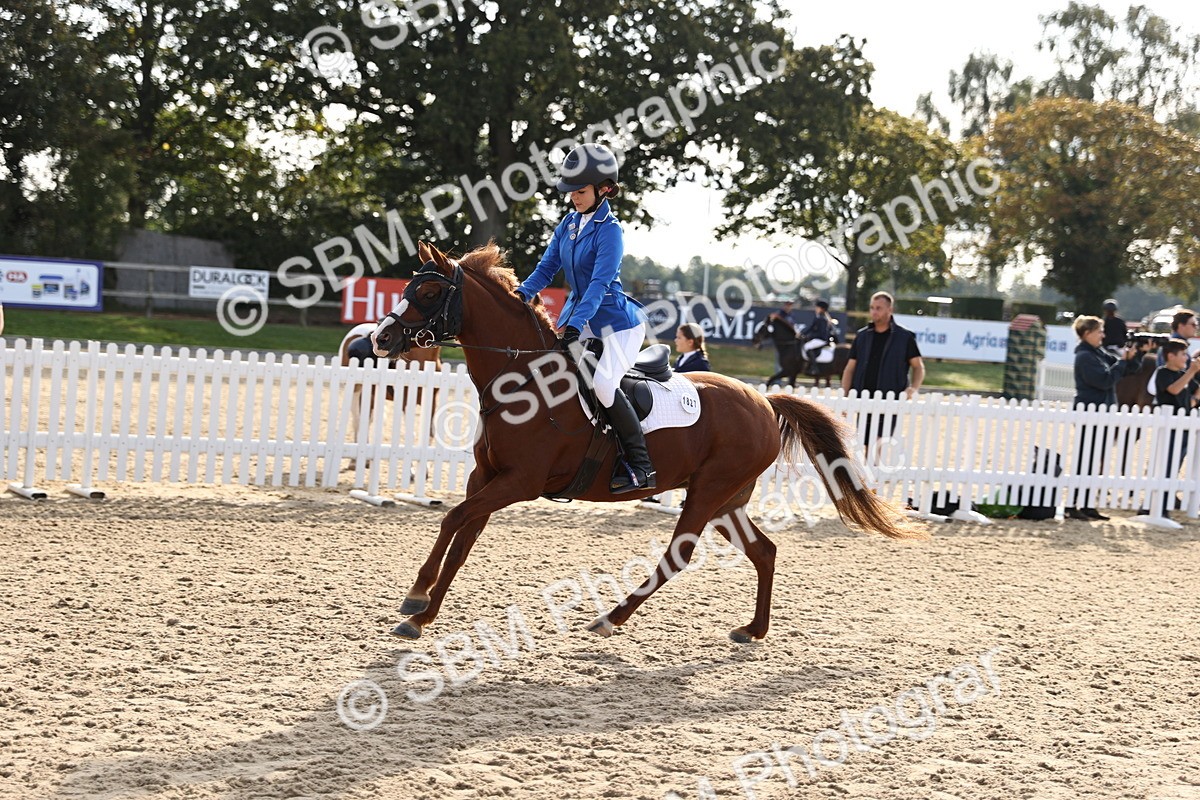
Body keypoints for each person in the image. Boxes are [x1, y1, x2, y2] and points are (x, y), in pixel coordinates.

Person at [515, 143, 654, 493]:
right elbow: (547, 267)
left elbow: (598, 284)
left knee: (603, 385)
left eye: (580, 191)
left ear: (603, 189)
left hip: (617, 325)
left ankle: (640, 465)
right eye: (571, 191)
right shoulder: (569, 223)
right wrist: (520, 294)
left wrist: (576, 324)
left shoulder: (611, 230)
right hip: (582, 317)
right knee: (554, 371)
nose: (573, 197)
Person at [1068, 315, 1147, 520]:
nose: (1103, 335)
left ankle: (1087, 504)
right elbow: (1105, 380)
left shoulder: (1097, 353)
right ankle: (1072, 504)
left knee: (1095, 461)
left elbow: (1129, 370)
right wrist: (1123, 361)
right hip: (1090, 413)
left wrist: (1138, 354)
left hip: (1102, 413)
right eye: (1099, 331)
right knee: (1085, 460)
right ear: (1087, 333)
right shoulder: (1085, 357)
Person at [1148, 339, 1200, 518]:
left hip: (1183, 428)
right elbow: (1174, 390)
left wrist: (1194, 399)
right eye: (1183, 354)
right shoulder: (1163, 373)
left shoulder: (1184, 375)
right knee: (1165, 465)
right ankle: (1155, 505)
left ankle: (1163, 505)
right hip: (1169, 429)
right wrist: (1191, 372)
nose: (1186, 358)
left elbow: (1194, 393)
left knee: (1174, 466)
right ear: (1170, 356)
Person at [801, 299, 833, 376]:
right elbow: (811, 328)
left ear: (822, 309)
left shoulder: (822, 318)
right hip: (818, 338)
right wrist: (802, 333)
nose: (816, 309)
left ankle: (814, 368)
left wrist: (809, 336)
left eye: (817, 307)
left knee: (807, 347)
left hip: (821, 339)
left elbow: (821, 333)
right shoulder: (819, 317)